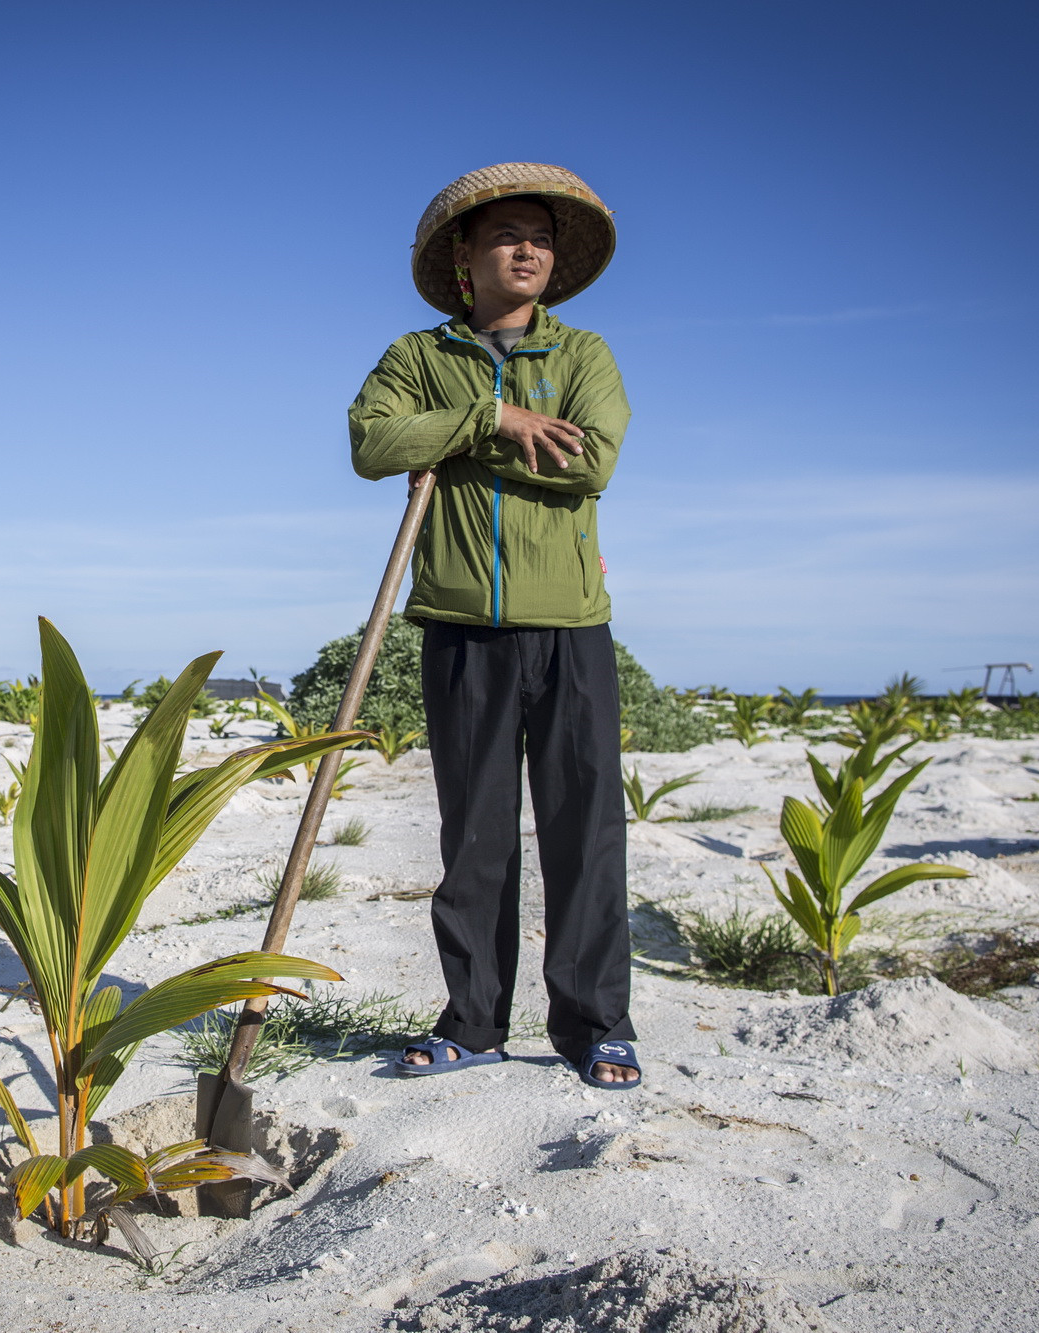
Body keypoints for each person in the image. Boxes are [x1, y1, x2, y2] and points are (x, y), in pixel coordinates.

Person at [348, 162, 639, 1090]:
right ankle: (474, 1021)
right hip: (460, 626)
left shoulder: (585, 355)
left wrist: (461, 440)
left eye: (542, 238)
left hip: (572, 628)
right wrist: (494, 416)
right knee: (474, 835)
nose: (528, 249)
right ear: (464, 260)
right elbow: (369, 443)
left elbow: (589, 462)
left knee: (584, 828)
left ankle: (595, 1025)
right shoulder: (416, 357)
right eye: (508, 235)